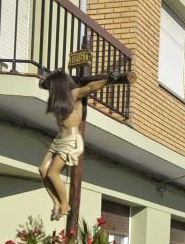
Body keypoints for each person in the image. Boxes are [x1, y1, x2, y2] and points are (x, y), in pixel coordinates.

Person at [39, 69, 134, 220]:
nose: (51, 91)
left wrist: (109, 79)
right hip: (58, 139)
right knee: (42, 170)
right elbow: (44, 84)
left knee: (52, 173)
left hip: (71, 140)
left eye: (52, 88)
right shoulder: (58, 101)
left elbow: (91, 87)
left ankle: (65, 205)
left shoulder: (74, 94)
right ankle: (56, 203)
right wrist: (45, 82)